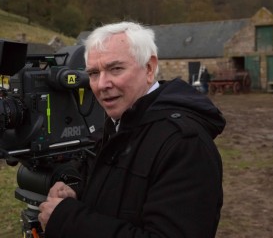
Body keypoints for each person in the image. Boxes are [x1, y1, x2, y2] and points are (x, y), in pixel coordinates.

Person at [38, 21, 226, 238]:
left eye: (115, 69)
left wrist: (67, 219)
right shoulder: (117, 124)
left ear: (149, 68)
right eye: (93, 73)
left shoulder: (185, 144)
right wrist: (76, 193)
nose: (101, 84)